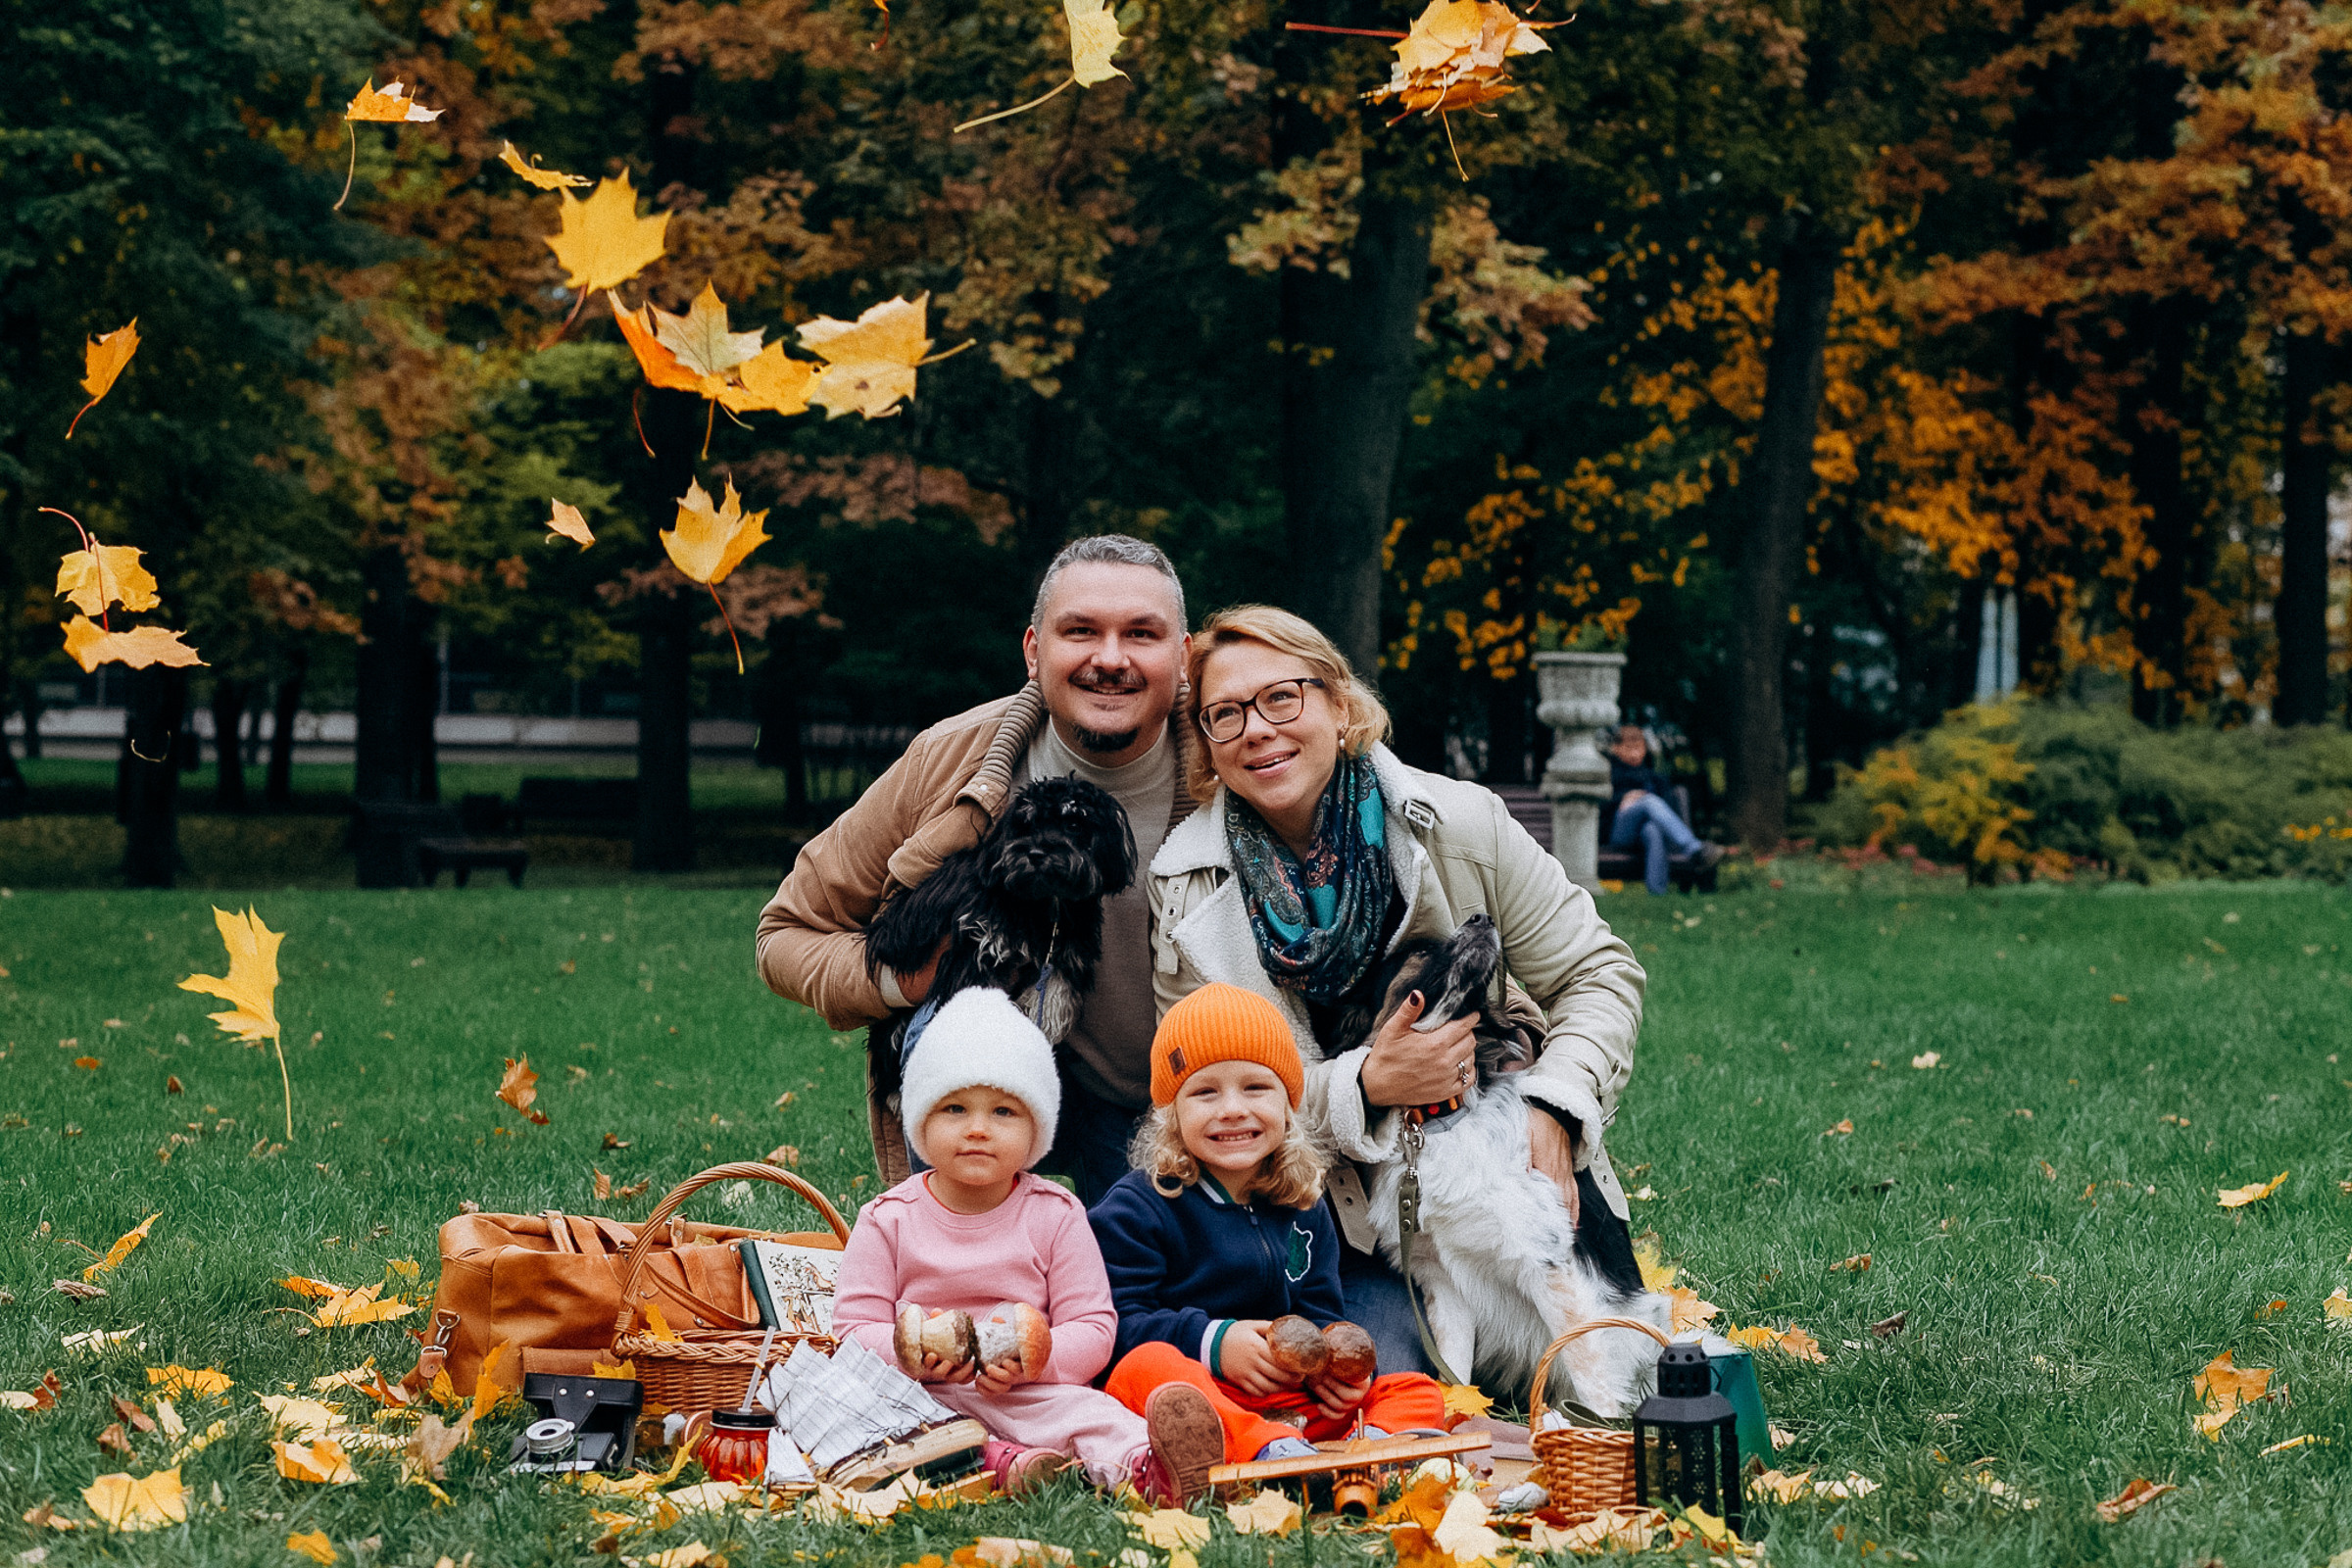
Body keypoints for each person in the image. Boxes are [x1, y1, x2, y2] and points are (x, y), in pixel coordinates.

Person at [1146, 604, 1647, 1378]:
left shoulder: (1461, 823)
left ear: (1339, 706)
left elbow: (1599, 973)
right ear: (1208, 746)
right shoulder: (1185, 885)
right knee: (1378, 1380)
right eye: (1224, 715)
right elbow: (1191, 1095)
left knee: (1559, 1351)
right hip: (1326, 1224)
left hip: (1498, 1179)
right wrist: (1368, 1086)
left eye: (1284, 697)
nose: (1257, 728)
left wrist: (1554, 1104)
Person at [757, 535, 1194, 1201]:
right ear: (1033, 650)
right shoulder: (948, 759)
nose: (1110, 658)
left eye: (1141, 634)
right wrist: (908, 979)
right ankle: (958, 1247)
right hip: (978, 1093)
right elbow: (785, 934)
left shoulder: (1239, 770)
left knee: (1136, 1300)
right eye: (1080, 632)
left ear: (1183, 656)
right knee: (976, 1301)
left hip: (1156, 1108)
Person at [828, 987, 1226, 1503]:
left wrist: (1040, 1362)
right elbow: (853, 1327)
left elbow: (1093, 1325)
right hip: (918, 1395)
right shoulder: (888, 1219)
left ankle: (1148, 1468)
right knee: (862, 1414)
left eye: (1003, 1112)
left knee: (1095, 1415)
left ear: (1037, 1128)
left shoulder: (1055, 1215)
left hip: (1027, 1392)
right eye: (954, 1108)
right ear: (921, 1121)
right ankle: (1008, 1463)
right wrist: (911, 1357)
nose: (977, 1129)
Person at [1092, 985, 1446, 1462]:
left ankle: (1368, 1451)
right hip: (1200, 1397)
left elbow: (1320, 1310)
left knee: (1415, 1389)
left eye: (1256, 1087)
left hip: (1287, 1403)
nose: (1233, 1108)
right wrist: (1214, 1342)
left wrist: (1331, 1370)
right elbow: (1117, 1323)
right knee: (1143, 1367)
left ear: (1287, 1104)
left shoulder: (1303, 1204)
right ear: (1172, 1116)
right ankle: (1269, 1454)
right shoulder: (1141, 1206)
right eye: (1204, 1092)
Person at [1604, 725, 1723, 896]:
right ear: (1616, 749)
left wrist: (1642, 798)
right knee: (1648, 800)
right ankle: (1695, 849)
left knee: (1652, 830)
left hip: (1645, 834)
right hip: (1619, 834)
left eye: (1639, 748)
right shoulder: (1609, 775)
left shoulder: (1653, 777)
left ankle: (1657, 893)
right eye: (1629, 748)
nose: (1635, 754)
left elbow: (1668, 807)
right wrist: (1625, 798)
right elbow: (1600, 808)